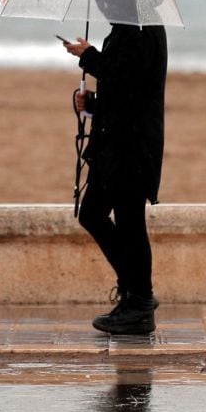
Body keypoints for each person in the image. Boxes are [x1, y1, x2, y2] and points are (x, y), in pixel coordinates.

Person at [64, 21, 167, 335]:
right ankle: (137, 296)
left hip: (131, 149)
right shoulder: (126, 28)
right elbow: (125, 92)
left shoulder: (142, 30)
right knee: (105, 216)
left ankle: (139, 300)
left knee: (118, 219)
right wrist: (93, 104)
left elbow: (128, 79)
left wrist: (89, 55)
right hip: (116, 146)